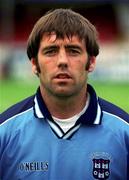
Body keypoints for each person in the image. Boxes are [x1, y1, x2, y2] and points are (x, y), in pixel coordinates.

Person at [0, 8, 129, 180]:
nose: (62, 61)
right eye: (51, 51)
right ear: (34, 64)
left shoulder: (124, 132)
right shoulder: (5, 132)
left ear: (91, 62)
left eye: (73, 51)